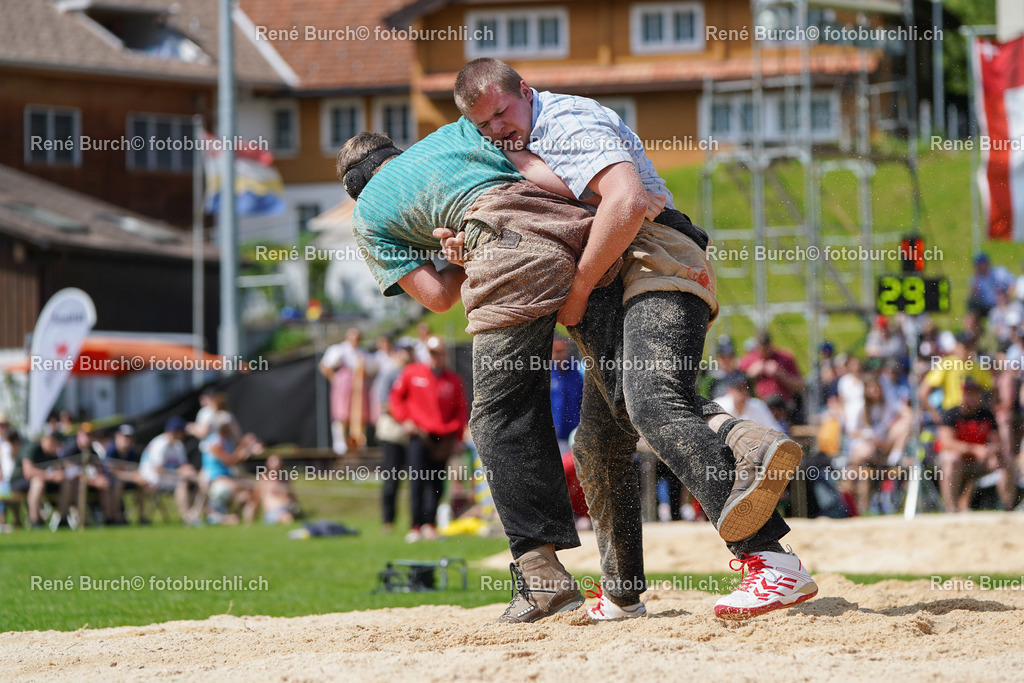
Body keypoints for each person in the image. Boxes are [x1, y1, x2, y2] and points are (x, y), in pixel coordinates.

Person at [339, 104, 805, 621]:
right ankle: (625, 590)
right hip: (590, 248)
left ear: (356, 188)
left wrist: (467, 246)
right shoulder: (458, 138)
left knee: (504, 415)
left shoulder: (370, 210)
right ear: (398, 154)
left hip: (553, 255)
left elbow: (439, 296)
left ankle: (543, 575)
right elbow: (545, 179)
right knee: (608, 431)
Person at [452, 57, 812, 620]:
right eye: (484, 125)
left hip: (653, 258)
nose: (497, 129)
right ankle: (622, 592)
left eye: (502, 113)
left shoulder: (566, 120)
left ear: (525, 91)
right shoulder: (513, 147)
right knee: (597, 442)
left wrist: (577, 289)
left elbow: (624, 202)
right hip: (619, 275)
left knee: (650, 400)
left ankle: (772, 561)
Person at [388, 336, 468, 542]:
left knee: (437, 482)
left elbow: (461, 410)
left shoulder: (453, 380)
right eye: (432, 352)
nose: (436, 357)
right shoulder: (412, 373)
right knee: (417, 480)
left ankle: (430, 524)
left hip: (443, 437)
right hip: (419, 435)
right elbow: (396, 399)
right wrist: (404, 419)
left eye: (439, 352)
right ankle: (415, 525)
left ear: (445, 354)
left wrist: (458, 438)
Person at [938, 378, 1004, 512]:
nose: (972, 398)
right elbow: (946, 442)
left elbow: (997, 442)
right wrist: (973, 449)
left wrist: (991, 450)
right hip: (957, 461)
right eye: (969, 394)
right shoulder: (951, 414)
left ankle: (1007, 507)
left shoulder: (987, 414)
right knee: (951, 459)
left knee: (1007, 460)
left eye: (975, 394)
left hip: (979, 463)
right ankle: (951, 508)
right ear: (962, 395)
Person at [320, 328, 377, 456]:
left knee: (361, 414)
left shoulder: (363, 352)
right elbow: (324, 365)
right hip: (344, 386)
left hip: (360, 386)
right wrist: (335, 378)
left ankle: (360, 442)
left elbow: (372, 369)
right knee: (341, 414)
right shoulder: (339, 350)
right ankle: (339, 444)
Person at [199, 412, 263, 525]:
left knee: (252, 491)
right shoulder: (216, 442)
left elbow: (232, 459)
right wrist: (243, 446)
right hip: (216, 478)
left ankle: (248, 523)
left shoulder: (225, 441)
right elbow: (228, 461)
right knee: (243, 489)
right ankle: (219, 516)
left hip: (226, 477)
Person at [376, 341, 413, 532]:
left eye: (410, 351)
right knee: (391, 478)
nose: (408, 355)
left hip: (413, 431)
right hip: (393, 431)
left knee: (418, 480)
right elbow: (384, 403)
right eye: (405, 351)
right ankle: (388, 521)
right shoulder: (390, 373)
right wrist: (405, 419)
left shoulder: (417, 373)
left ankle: (417, 523)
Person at [139, 417, 198, 524]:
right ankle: (187, 517)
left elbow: (182, 466)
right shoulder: (160, 444)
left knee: (196, 482)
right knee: (182, 483)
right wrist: (179, 473)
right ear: (177, 431)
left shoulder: (178, 445)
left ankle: (195, 514)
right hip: (154, 480)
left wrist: (188, 470)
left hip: (169, 478)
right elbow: (158, 470)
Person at [738, 331, 806, 418]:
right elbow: (735, 382)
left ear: (771, 345)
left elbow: (801, 386)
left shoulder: (785, 358)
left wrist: (781, 374)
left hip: (783, 409)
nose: (764, 353)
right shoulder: (749, 359)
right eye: (762, 350)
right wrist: (750, 374)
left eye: (767, 349)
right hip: (758, 408)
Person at [550, 337, 584, 454]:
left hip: (573, 434)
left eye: (564, 351)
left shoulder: (575, 373)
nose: (562, 355)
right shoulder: (545, 374)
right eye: (558, 352)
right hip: (552, 435)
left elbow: (582, 400)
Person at [247, 455, 297, 524]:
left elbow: (292, 496)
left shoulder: (284, 479)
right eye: (272, 462)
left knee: (287, 517)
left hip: (287, 510)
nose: (275, 465)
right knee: (287, 518)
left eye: (277, 462)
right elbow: (255, 500)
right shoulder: (263, 480)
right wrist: (251, 519)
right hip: (273, 513)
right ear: (267, 464)